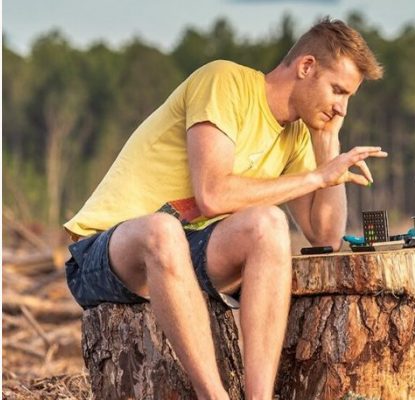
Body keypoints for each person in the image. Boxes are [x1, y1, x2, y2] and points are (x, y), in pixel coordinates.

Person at [63, 17, 386, 400]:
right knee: (161, 232)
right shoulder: (224, 81)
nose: (342, 108)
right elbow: (212, 196)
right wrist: (317, 178)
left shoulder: (299, 134)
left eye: (348, 97)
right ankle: (213, 396)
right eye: (337, 91)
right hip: (105, 252)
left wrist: (328, 144)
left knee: (269, 224)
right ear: (306, 67)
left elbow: (326, 235)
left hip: (186, 255)